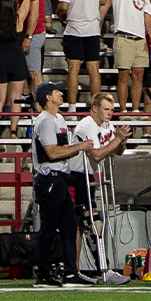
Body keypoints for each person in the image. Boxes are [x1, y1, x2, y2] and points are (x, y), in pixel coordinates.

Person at [30, 80, 95, 286]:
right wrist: (80, 147)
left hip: (61, 179)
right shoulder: (45, 121)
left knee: (69, 227)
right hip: (50, 179)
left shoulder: (58, 118)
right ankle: (44, 272)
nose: (61, 93)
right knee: (49, 228)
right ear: (48, 97)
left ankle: (70, 271)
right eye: (56, 91)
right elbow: (52, 151)